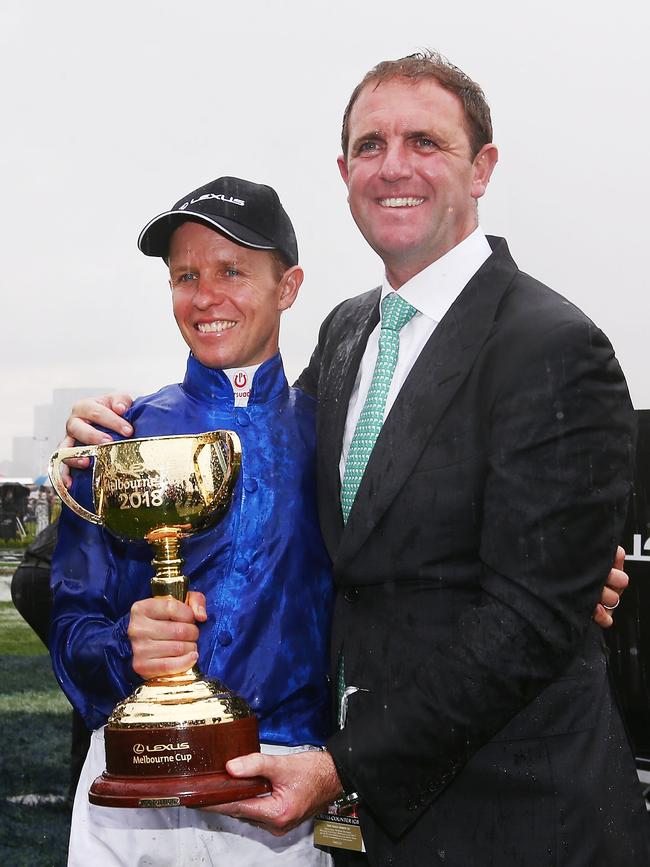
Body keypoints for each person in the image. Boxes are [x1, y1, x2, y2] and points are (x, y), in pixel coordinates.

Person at [61, 54, 642, 865]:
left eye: (425, 142)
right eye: (370, 145)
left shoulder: (555, 344)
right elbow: (284, 475)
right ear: (344, 172)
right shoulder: (345, 336)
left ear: (482, 168)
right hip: (361, 820)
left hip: (510, 810)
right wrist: (95, 441)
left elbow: (530, 617)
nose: (393, 165)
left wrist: (571, 574)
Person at [49, 176, 334, 866]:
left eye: (232, 270)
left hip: (281, 789)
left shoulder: (334, 436)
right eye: (185, 275)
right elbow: (69, 625)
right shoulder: (120, 436)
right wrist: (128, 646)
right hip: (133, 787)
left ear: (287, 286)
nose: (205, 296)